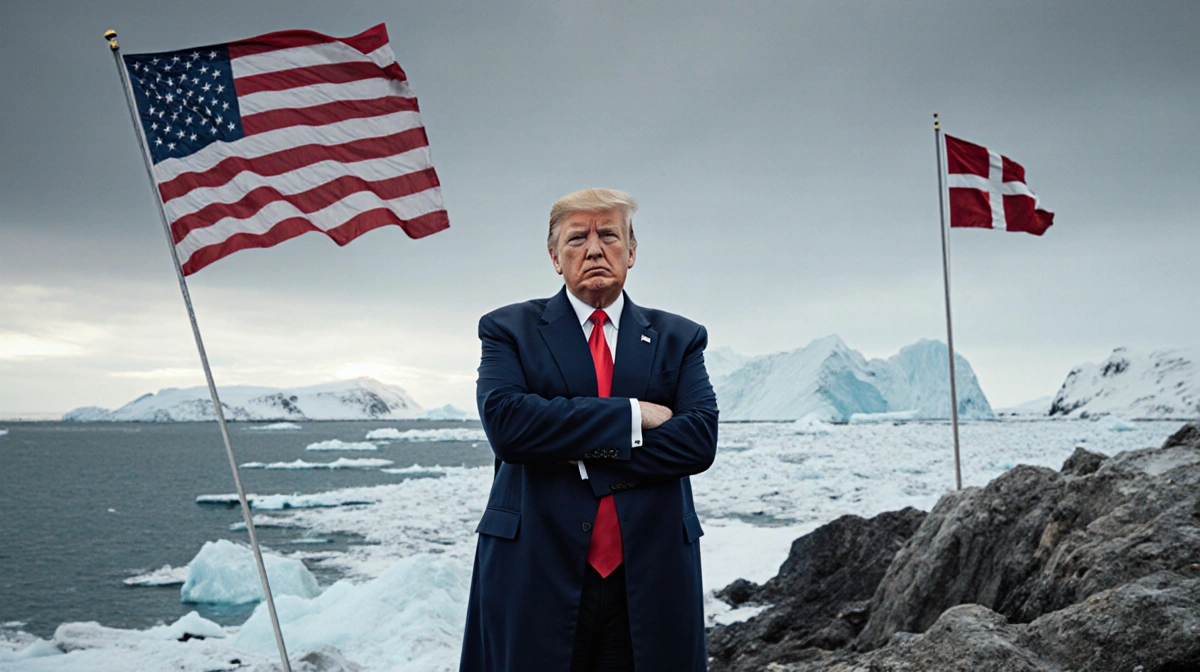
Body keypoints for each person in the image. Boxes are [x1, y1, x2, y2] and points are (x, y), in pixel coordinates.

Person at [459, 188, 719, 671]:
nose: (594, 248)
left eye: (609, 235)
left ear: (632, 252)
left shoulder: (680, 338)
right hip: (534, 566)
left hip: (651, 572)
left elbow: (698, 441)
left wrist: (572, 449)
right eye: (577, 238)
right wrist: (630, 415)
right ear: (556, 258)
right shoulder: (508, 329)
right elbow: (510, 427)